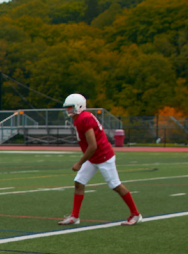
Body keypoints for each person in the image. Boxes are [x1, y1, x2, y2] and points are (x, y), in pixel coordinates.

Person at [58, 93, 142, 226]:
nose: (67, 110)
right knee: (79, 182)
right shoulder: (80, 118)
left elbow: (93, 145)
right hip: (94, 157)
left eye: (70, 107)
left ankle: (136, 214)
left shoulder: (84, 119)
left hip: (103, 156)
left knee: (116, 185)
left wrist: (80, 163)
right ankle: (75, 216)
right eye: (67, 107)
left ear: (79, 107)